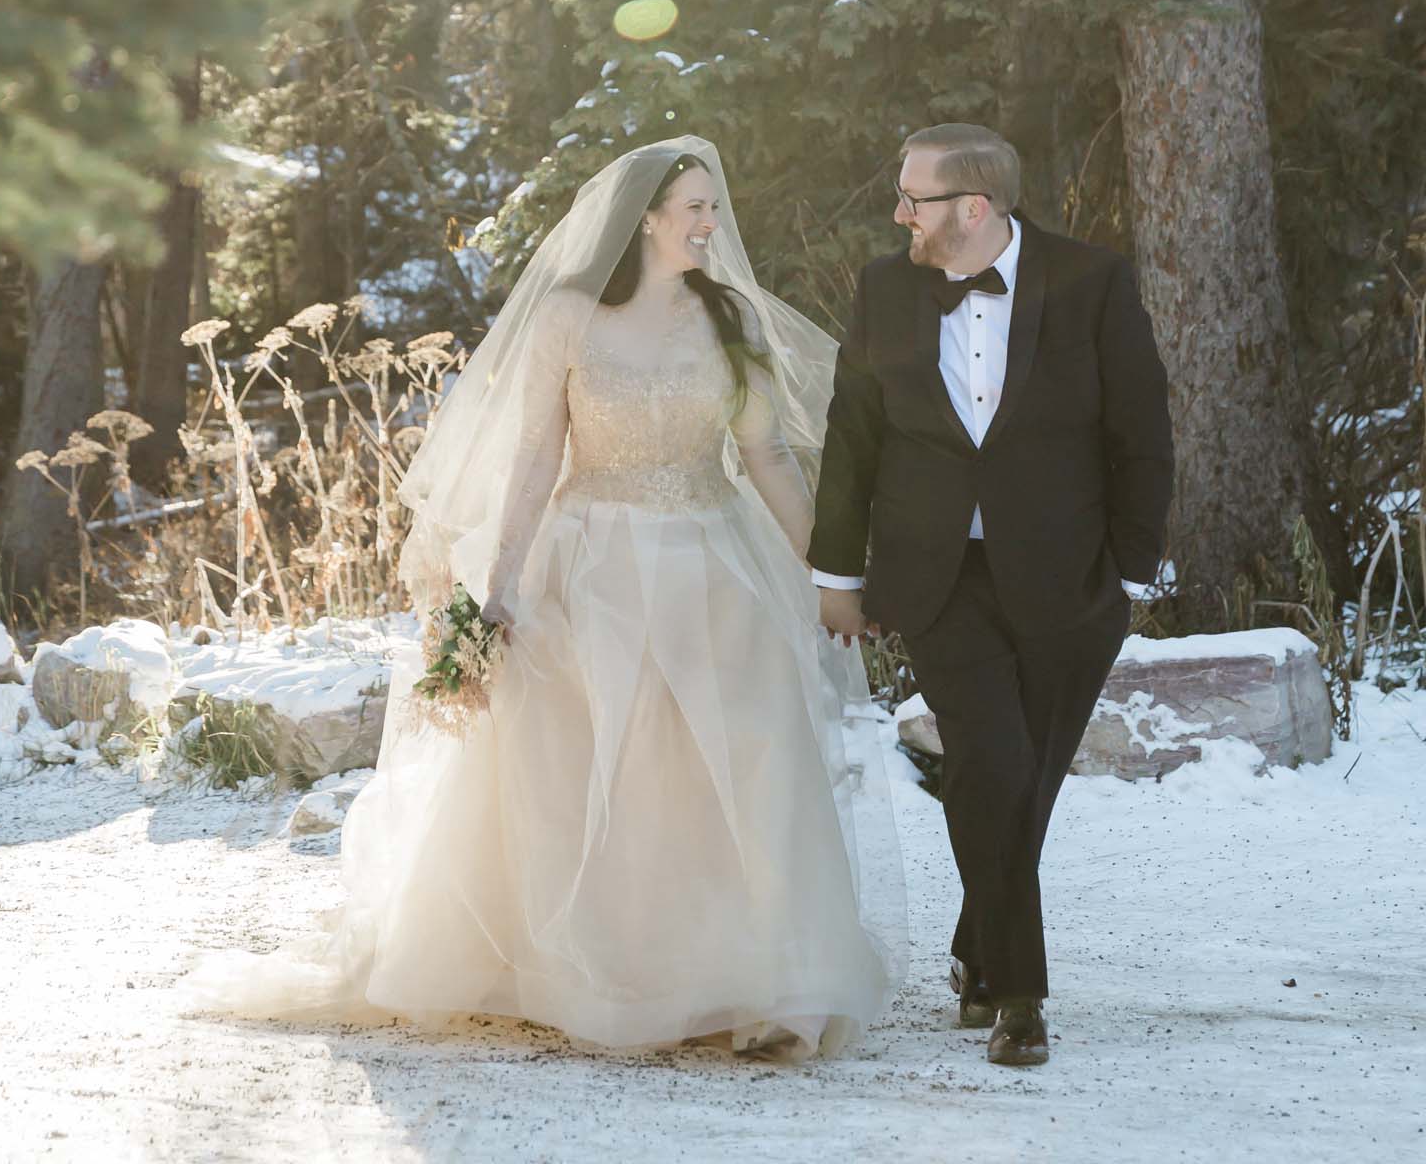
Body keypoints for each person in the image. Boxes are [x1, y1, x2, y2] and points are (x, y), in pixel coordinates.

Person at [184, 136, 905, 1061]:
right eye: (692, 206)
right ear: (643, 218)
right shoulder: (568, 318)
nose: (709, 222)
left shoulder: (730, 320)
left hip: (713, 560)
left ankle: (748, 974)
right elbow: (534, 458)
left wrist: (824, 578)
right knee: (597, 757)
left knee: (741, 756)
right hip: (591, 559)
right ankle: (599, 972)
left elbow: (765, 458)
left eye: (713, 207)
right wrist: (503, 585)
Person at [810, 123, 1172, 1068]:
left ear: (973, 209)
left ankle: (978, 948)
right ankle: (1019, 996)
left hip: (1070, 580)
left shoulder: (1091, 281)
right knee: (995, 767)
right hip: (937, 580)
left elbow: (1142, 426)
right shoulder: (887, 288)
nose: (898, 216)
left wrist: (1130, 569)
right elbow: (852, 434)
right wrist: (837, 574)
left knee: (1026, 785)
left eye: (913, 200)